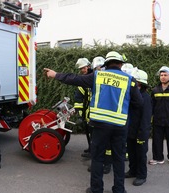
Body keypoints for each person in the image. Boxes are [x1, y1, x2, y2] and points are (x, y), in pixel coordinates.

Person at [44, 51, 143, 193]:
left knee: (97, 158)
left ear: (106, 64)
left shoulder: (97, 76)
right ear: (121, 64)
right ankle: (119, 189)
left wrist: (55, 75)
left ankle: (96, 189)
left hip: (100, 125)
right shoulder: (130, 80)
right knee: (119, 159)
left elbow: (75, 79)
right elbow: (139, 103)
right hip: (120, 126)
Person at [125, 68, 152, 186]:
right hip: (130, 130)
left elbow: (146, 119)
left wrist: (142, 135)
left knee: (141, 155)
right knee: (131, 153)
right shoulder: (132, 95)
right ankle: (133, 170)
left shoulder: (145, 98)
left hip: (140, 132)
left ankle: (141, 175)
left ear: (139, 84)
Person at [74, 58, 93, 158]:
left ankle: (92, 152)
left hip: (92, 111)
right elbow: (79, 97)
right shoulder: (85, 79)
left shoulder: (92, 77)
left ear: (88, 66)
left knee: (92, 133)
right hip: (87, 111)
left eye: (83, 68)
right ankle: (90, 149)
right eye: (81, 69)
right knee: (88, 131)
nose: (82, 70)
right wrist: (80, 114)